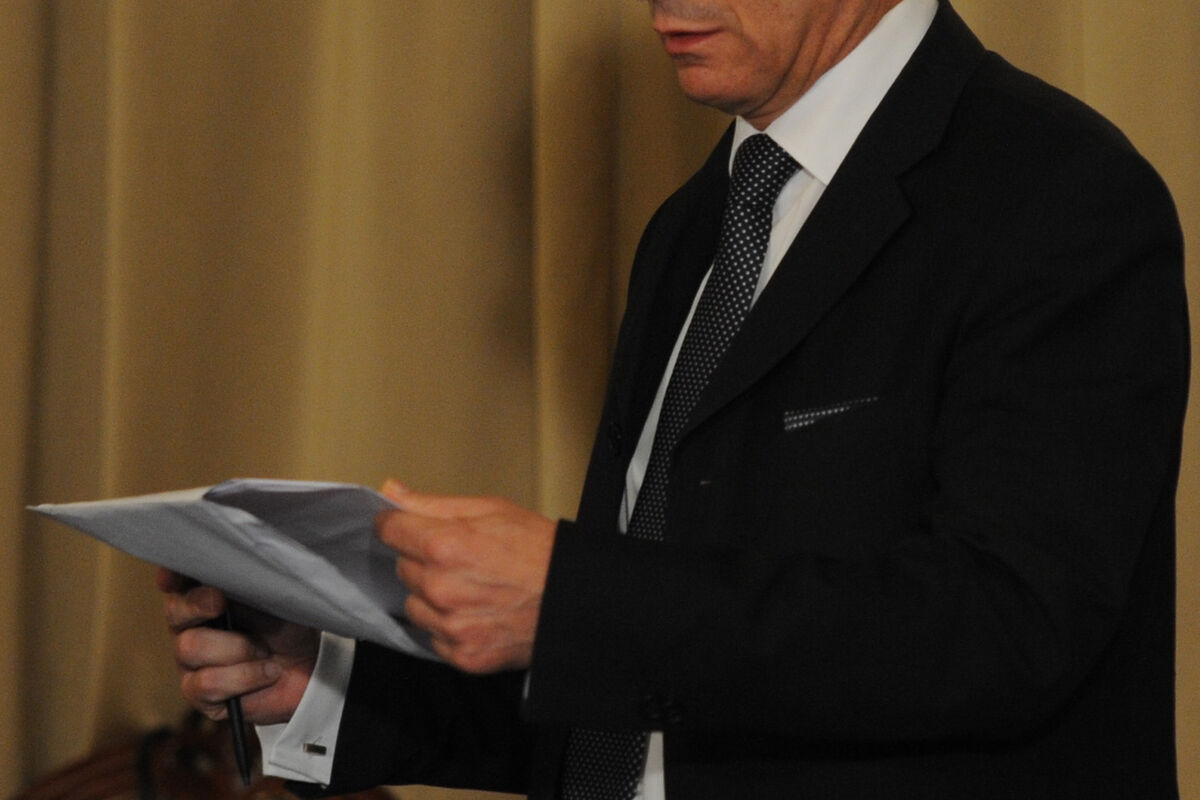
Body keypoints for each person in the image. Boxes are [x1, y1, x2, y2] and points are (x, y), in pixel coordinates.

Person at [160, 0, 1190, 797]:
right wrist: (332, 681)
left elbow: (1004, 628)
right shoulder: (694, 224)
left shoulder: (1059, 194)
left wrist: (572, 600)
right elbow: (656, 693)